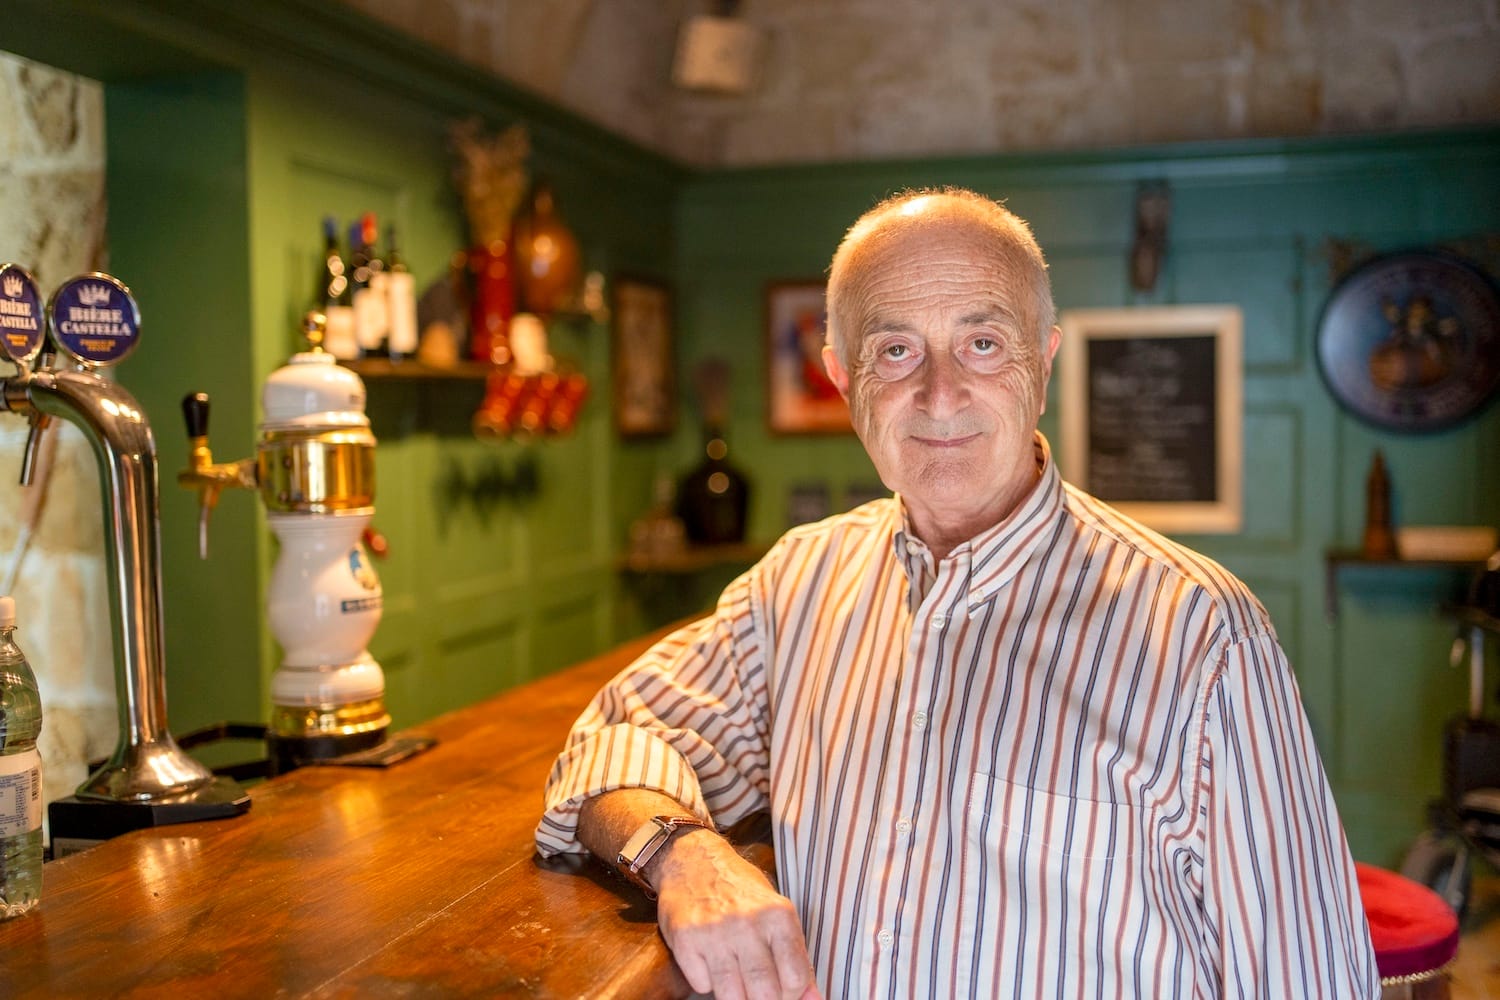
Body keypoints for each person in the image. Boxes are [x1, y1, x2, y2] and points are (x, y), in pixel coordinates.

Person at [536, 188, 1380, 999]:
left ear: (1044, 360)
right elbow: (614, 738)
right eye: (896, 350)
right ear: (840, 377)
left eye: (983, 343)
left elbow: (1309, 974)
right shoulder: (799, 584)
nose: (940, 395)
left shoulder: (1204, 634)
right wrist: (680, 852)